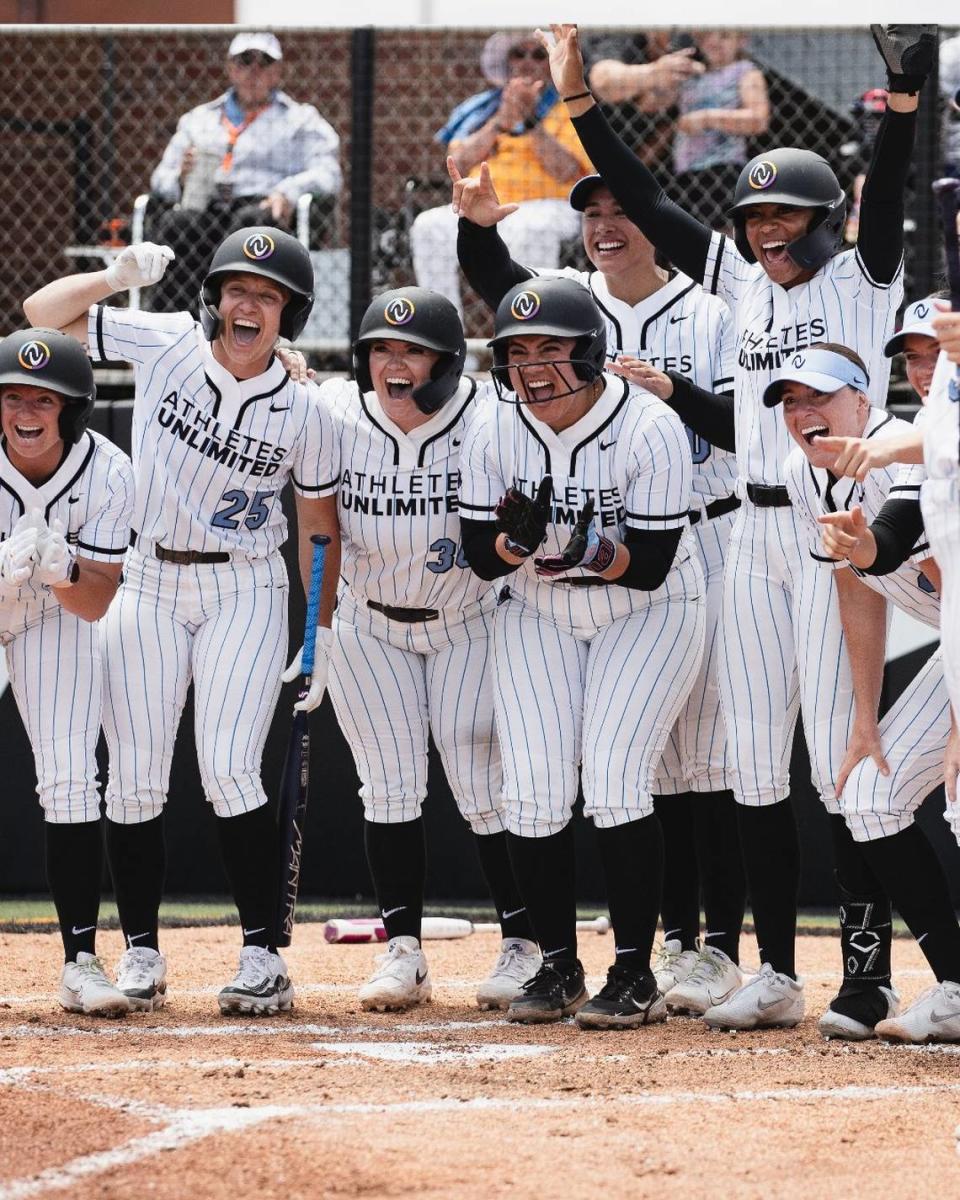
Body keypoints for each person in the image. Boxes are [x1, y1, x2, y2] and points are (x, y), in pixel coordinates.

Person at [537, 22, 935, 1030]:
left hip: (831, 528)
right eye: (757, 214)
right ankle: (774, 970)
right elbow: (655, 202)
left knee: (838, 766)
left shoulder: (861, 276)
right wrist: (580, 101)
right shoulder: (742, 283)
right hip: (750, 544)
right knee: (756, 766)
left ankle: (866, 972)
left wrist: (901, 93)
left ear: (821, 217)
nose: (767, 231)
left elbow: (884, 190)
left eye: (787, 216)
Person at [24, 229, 341, 1017]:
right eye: (237, 288)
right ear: (213, 298)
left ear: (288, 315)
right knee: (133, 780)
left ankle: (264, 954)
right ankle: (140, 952)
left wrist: (318, 629)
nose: (247, 304)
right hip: (147, 577)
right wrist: (112, 275)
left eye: (266, 296)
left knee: (231, 767)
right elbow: (38, 317)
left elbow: (317, 524)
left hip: (245, 585)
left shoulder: (307, 408)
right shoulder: (168, 341)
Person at [452, 166, 746, 1014]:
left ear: (588, 350)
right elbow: (481, 557)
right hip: (544, 607)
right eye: (519, 353)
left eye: (553, 350)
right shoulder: (495, 422)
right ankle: (556, 964)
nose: (535, 366)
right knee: (534, 788)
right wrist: (514, 542)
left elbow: (648, 564)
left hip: (653, 599)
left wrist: (568, 540)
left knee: (631, 777)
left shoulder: (653, 416)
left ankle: (639, 968)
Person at [286, 286, 540, 1013]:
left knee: (483, 780)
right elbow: (317, 519)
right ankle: (404, 952)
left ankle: (522, 942)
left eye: (412, 351)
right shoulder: (336, 410)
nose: (393, 365)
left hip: (468, 618)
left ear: (449, 362)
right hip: (370, 622)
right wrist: (318, 626)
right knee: (389, 787)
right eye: (380, 351)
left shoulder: (488, 414)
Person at [767, 342, 960, 1041]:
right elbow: (858, 585)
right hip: (954, 642)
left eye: (817, 396)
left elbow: (891, 540)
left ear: (862, 399)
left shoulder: (909, 451)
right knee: (869, 795)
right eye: (790, 401)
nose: (802, 412)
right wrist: (865, 720)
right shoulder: (805, 470)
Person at [0, 328, 134, 1017]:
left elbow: (96, 601)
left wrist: (66, 569)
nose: (25, 412)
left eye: (43, 401)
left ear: (73, 409)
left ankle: (80, 961)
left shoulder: (108, 470)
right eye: (12, 397)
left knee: (71, 777)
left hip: (55, 614)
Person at [148, 32, 341, 313]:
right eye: (245, 61)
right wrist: (181, 176)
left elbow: (329, 173)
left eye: (264, 62)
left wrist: (288, 192)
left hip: (260, 206)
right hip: (207, 208)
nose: (254, 70)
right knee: (177, 223)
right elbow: (159, 179)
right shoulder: (199, 118)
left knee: (251, 223)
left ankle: (225, 315)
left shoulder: (300, 119)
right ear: (230, 68)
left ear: (277, 71)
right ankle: (172, 325)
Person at [410, 32, 591, 317]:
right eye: (519, 54)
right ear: (507, 62)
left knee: (531, 229)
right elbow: (456, 162)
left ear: (549, 63)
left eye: (538, 55)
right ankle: (447, 338)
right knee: (427, 225)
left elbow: (567, 170)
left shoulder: (567, 107)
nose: (528, 62)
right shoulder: (483, 109)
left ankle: (534, 327)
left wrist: (529, 120)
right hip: (483, 205)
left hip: (548, 206)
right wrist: (500, 122)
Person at [667, 31, 770, 230]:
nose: (714, 42)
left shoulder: (744, 71)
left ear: (741, 39)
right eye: (707, 35)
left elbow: (758, 119)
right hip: (686, 171)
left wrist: (707, 119)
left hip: (722, 167)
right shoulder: (692, 75)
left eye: (724, 35)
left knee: (722, 234)